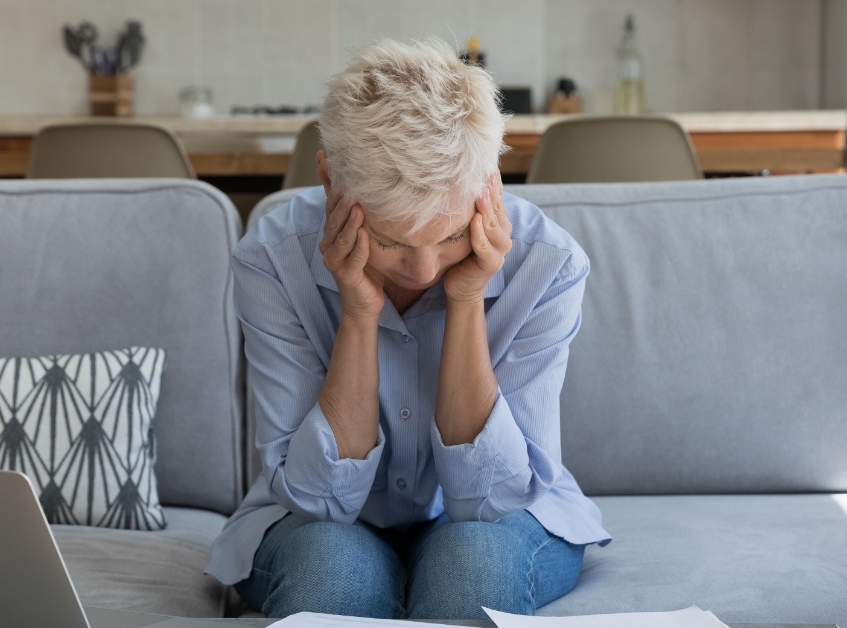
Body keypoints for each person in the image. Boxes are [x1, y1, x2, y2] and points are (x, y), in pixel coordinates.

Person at [205, 38, 611, 620]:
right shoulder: (272, 259)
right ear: (329, 182)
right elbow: (320, 502)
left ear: (489, 182)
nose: (422, 271)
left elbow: (488, 500)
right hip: (318, 521)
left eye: (451, 236)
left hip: (504, 518)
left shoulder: (548, 264)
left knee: (471, 565)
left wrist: (467, 298)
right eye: (389, 240)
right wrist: (358, 311)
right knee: (329, 570)